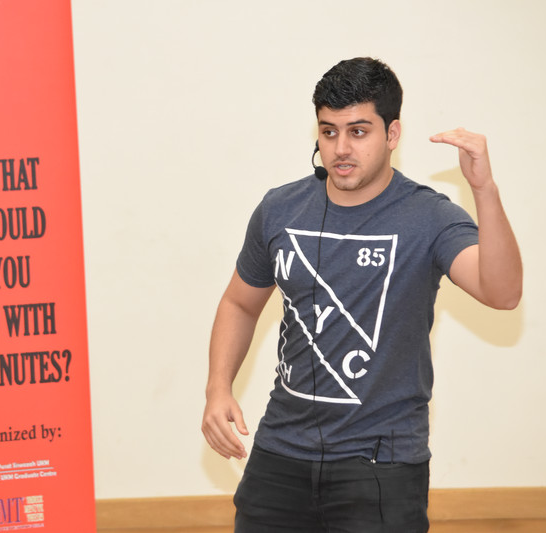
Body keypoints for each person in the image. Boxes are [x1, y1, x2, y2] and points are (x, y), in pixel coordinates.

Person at [201, 57, 522, 533]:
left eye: (358, 131)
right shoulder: (280, 209)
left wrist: (484, 189)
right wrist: (217, 387)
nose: (341, 149)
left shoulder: (429, 217)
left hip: (380, 466)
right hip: (279, 454)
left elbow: (503, 293)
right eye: (328, 132)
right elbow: (239, 303)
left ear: (392, 134)